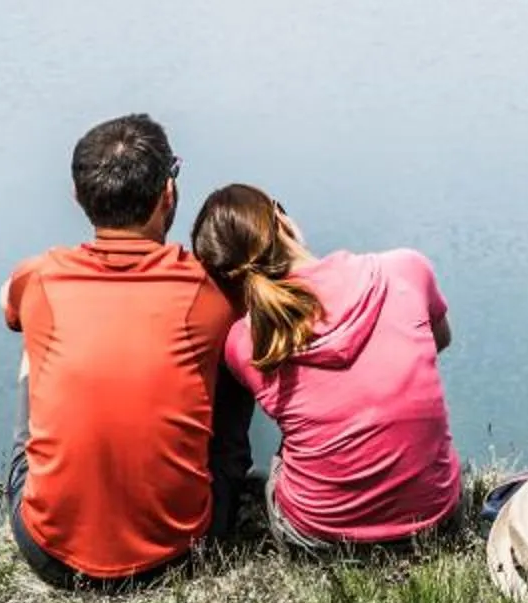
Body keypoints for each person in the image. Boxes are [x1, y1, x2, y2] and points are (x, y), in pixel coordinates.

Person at [0, 115, 253, 588]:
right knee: (236, 348)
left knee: (37, 344)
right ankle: (220, 481)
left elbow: (6, 306)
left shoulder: (37, 277)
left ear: (79, 200)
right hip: (183, 551)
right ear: (168, 196)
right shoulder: (212, 287)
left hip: (51, 555)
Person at [190, 183, 462, 548]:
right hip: (434, 520)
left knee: (284, 452)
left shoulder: (245, 341)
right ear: (282, 222)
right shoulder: (405, 269)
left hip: (321, 538)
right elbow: (438, 340)